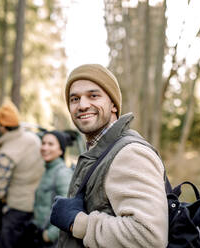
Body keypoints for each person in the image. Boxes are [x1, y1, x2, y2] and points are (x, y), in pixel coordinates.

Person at [50, 64, 169, 247]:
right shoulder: (99, 151)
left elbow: (149, 236)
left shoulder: (129, 153)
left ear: (113, 104)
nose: (82, 105)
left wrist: (78, 223)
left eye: (93, 96)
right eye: (74, 99)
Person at [0, 100, 44, 248]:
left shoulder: (6, 154)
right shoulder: (34, 139)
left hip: (16, 210)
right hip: (36, 208)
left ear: (2, 127)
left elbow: (0, 190)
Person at [19, 131, 73, 248]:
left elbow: (68, 211)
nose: (44, 147)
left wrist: (49, 235)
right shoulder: (48, 169)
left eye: (50, 144)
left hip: (51, 241)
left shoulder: (62, 173)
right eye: (43, 143)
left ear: (60, 150)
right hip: (39, 234)